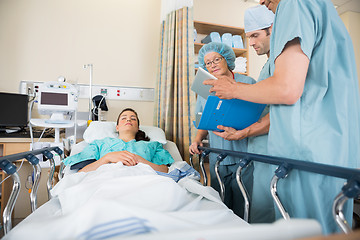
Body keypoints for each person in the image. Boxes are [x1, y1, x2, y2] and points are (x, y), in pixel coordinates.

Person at [204, 0, 360, 234]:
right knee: (323, 224)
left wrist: (233, 89)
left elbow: (286, 90)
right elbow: (287, 105)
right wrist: (243, 132)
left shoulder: (294, 4)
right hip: (324, 146)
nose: (261, 2)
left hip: (306, 149)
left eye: (256, 35)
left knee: (303, 228)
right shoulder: (320, 12)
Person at [189, 42, 256, 218]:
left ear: (226, 59)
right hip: (218, 155)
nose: (213, 65)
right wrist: (197, 140)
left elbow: (257, 115)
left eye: (217, 59)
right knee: (221, 203)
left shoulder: (247, 82)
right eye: (208, 63)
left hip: (245, 153)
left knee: (244, 204)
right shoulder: (205, 87)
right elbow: (202, 120)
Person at [63, 108, 174, 173]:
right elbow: (81, 173)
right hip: (105, 182)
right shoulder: (101, 144)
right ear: (117, 127)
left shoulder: (152, 146)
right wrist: (107, 158)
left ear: (138, 128)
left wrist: (141, 161)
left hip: (142, 182)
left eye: (133, 118)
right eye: (124, 118)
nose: (129, 119)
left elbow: (166, 171)